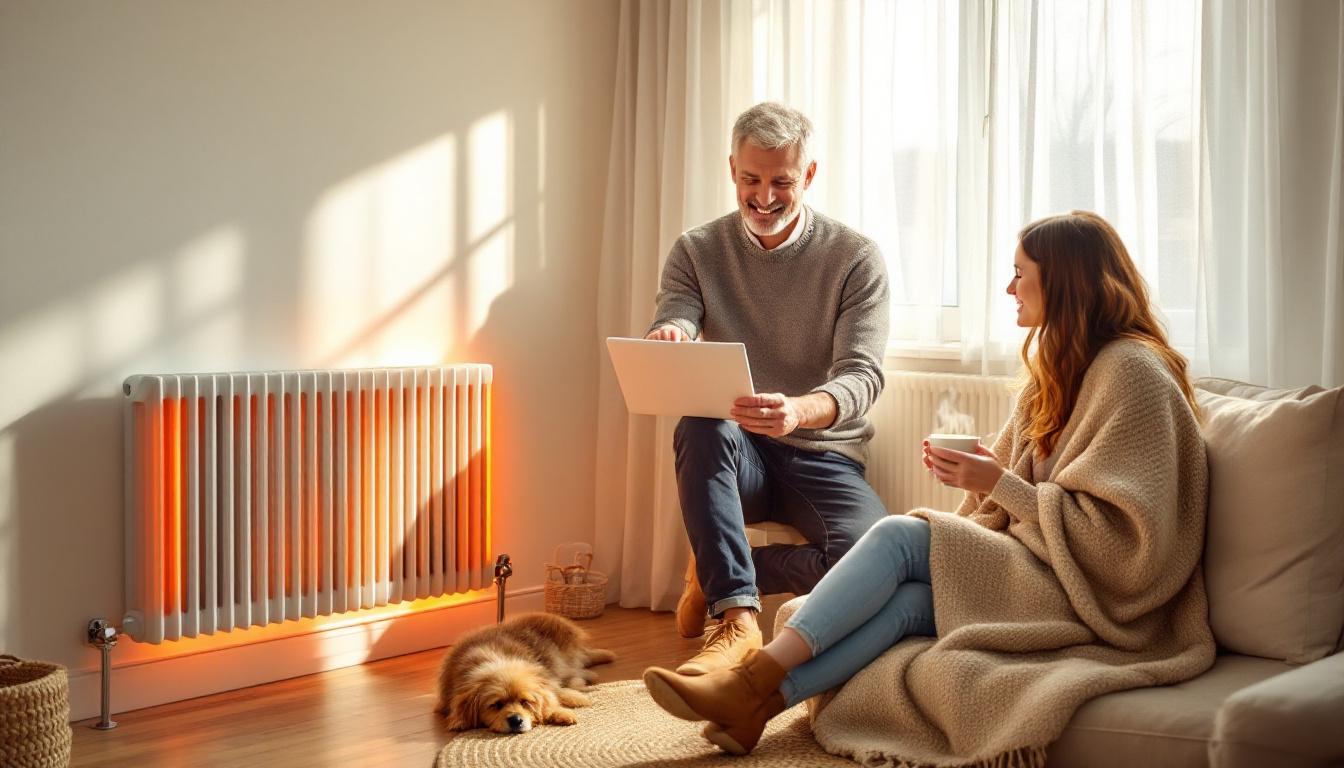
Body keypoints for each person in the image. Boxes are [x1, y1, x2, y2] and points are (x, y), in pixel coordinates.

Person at [642, 211, 1214, 761]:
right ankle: (760, 708)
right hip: (1045, 565)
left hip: (1096, 591)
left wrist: (996, 484)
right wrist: (986, 479)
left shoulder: (1133, 372)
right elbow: (1020, 484)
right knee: (906, 603)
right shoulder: (1059, 369)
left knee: (896, 537)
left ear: (1064, 284)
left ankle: (752, 675)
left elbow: (1128, 545)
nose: (1009, 287)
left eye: (1021, 274)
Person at [645, 101, 890, 677]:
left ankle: (720, 574)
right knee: (700, 424)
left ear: (808, 175)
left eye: (781, 181)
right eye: (751, 179)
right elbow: (676, 313)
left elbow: (863, 374)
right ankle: (736, 618)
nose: (764, 196)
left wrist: (800, 411)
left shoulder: (855, 257)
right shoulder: (697, 250)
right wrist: (672, 332)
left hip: (823, 455)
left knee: (871, 562)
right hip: (740, 456)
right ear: (732, 169)